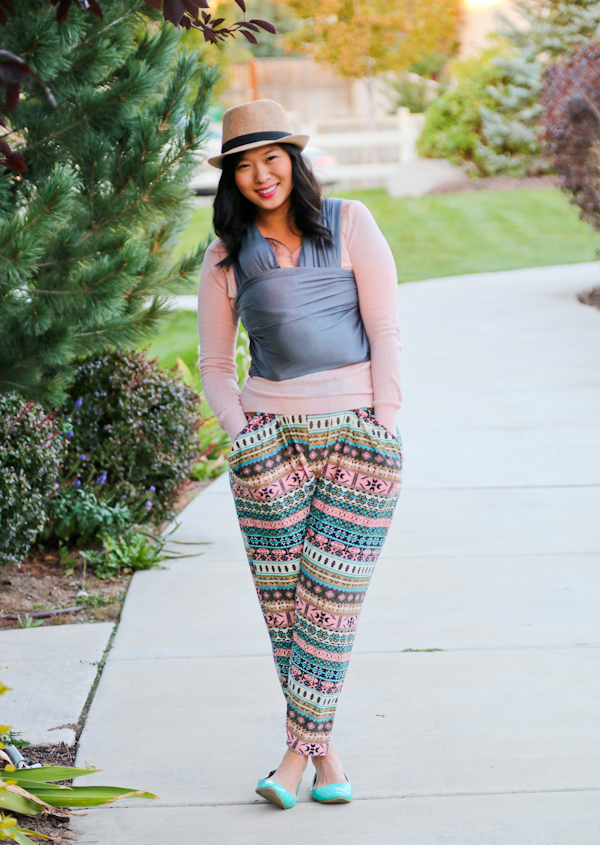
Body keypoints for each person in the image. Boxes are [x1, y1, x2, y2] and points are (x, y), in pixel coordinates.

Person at [198, 99, 403, 809]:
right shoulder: (225, 255)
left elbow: (385, 328)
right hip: (269, 445)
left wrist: (384, 422)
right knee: (287, 607)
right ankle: (327, 758)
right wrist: (242, 432)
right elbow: (215, 364)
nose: (261, 175)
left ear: (294, 160)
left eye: (272, 158)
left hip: (358, 438)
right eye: (244, 165)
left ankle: (293, 758)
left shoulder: (351, 223)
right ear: (231, 177)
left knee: (331, 602)